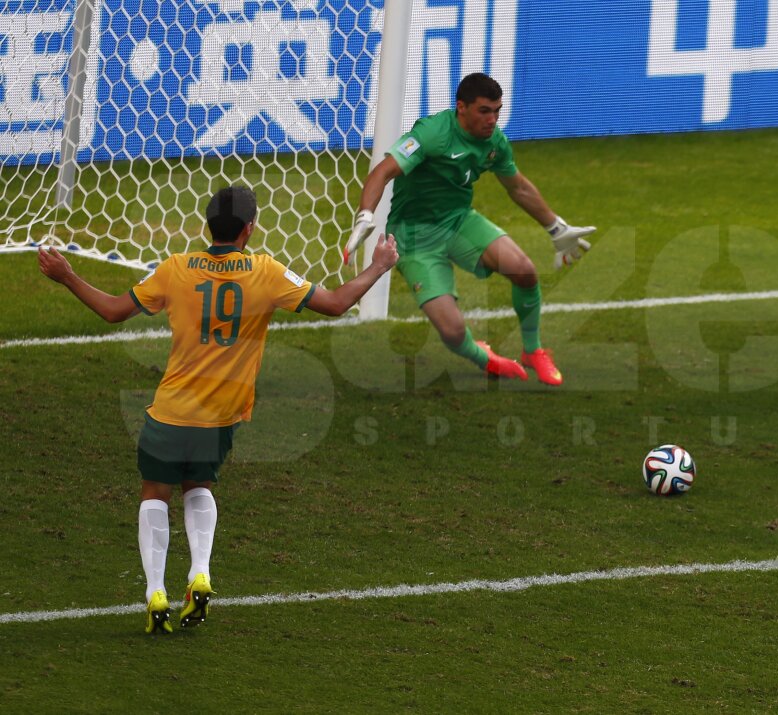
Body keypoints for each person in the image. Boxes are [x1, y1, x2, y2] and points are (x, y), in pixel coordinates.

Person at [37, 186, 399, 633]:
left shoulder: (176, 269)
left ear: (208, 225)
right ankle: (200, 573)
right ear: (250, 228)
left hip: (169, 412)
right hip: (220, 417)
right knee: (199, 485)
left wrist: (68, 276)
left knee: (155, 494)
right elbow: (338, 303)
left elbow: (113, 311)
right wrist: (380, 265)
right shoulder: (266, 272)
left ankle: (155, 591)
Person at [344, 72, 595, 386]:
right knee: (452, 331)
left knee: (524, 270)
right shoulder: (432, 133)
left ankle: (534, 350)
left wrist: (555, 227)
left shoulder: (495, 143)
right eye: (485, 111)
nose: (492, 120)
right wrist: (366, 215)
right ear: (461, 107)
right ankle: (485, 358)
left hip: (458, 221)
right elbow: (383, 171)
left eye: (497, 111)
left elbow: (518, 187)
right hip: (415, 237)